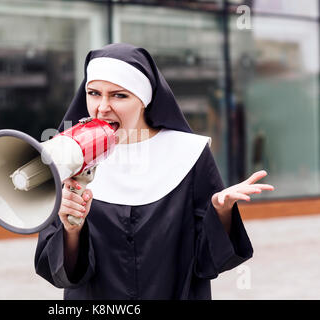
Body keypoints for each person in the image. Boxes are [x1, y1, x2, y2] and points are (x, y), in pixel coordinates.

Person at [34, 43, 274, 299]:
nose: (102, 107)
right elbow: (60, 274)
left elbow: (208, 262)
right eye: (93, 93)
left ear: (144, 100)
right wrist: (72, 231)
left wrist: (221, 213)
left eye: (119, 95)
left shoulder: (189, 155)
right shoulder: (65, 158)